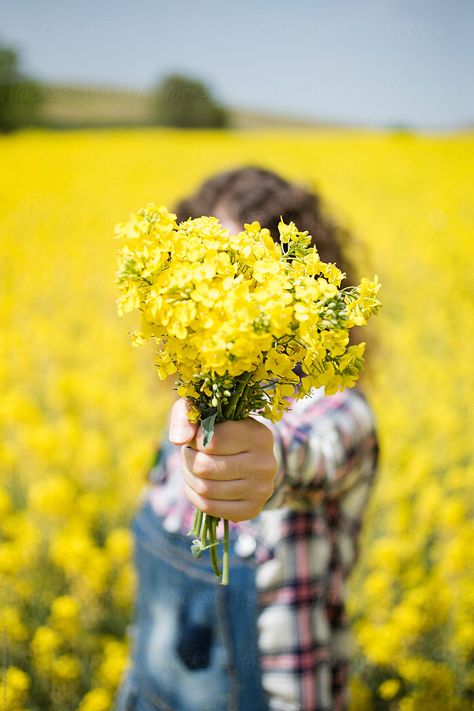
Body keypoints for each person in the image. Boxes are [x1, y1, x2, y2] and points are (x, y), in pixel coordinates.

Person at [115, 167, 379, 711]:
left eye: (247, 281)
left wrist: (270, 463)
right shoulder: (190, 414)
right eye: (205, 283)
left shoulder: (338, 413)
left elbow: (303, 451)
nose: (225, 305)